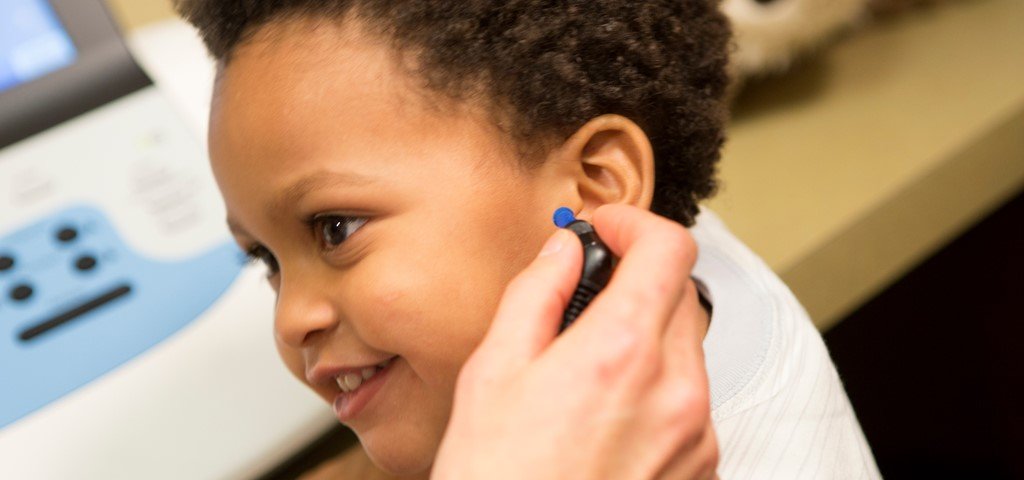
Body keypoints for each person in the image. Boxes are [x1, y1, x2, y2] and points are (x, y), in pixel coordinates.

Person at [172, 0, 881, 478]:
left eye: (335, 230)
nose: (291, 319)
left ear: (596, 190)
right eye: (266, 259)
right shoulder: (650, 259)